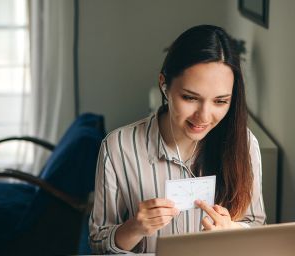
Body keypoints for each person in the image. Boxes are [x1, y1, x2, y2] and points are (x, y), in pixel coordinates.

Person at [89, 24, 266, 254]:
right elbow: (97, 242)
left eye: (220, 101)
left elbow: (256, 224)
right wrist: (135, 227)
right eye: (190, 98)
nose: (204, 116)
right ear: (164, 85)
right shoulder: (118, 147)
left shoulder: (244, 144)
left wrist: (232, 230)